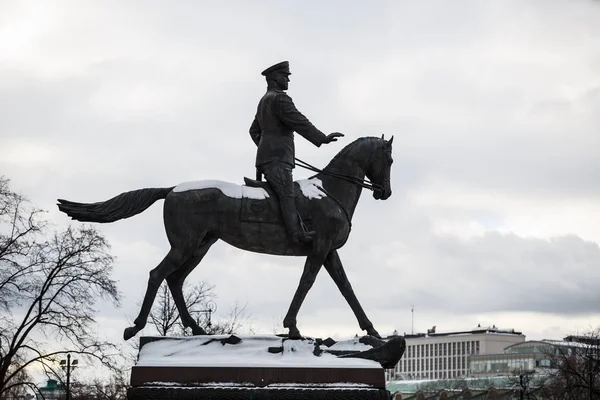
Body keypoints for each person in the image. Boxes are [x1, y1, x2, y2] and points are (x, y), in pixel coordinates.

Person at [249, 61, 344, 243]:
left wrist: (265, 147)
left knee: (283, 193)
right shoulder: (279, 98)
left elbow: (253, 131)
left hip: (268, 157)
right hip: (278, 158)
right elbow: (299, 122)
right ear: (275, 77)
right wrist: (322, 138)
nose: (288, 80)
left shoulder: (264, 100)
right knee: (287, 194)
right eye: (285, 76)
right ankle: (296, 234)